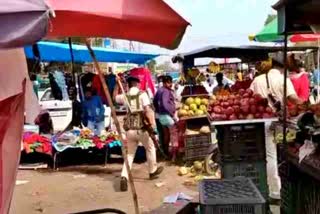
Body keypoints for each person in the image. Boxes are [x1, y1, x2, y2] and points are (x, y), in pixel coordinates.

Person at [250, 54, 303, 200]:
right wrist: (306, 104)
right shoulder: (283, 80)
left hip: (260, 123)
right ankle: (276, 191)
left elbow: (249, 97)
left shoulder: (257, 79)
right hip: (279, 123)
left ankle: (269, 187)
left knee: (267, 155)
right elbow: (293, 98)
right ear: (283, 67)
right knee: (281, 154)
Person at [114, 76, 163, 192]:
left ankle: (124, 176)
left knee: (130, 154)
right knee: (150, 148)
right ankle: (152, 171)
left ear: (129, 84)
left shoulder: (125, 96)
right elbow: (147, 110)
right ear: (136, 84)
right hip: (142, 127)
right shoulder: (142, 94)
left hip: (129, 128)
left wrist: (117, 84)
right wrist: (152, 126)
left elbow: (114, 98)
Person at [153, 76, 176, 157]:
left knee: (163, 134)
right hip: (166, 115)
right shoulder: (166, 91)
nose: (171, 85)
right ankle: (171, 152)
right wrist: (172, 114)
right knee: (171, 134)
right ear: (166, 83)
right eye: (170, 83)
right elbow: (165, 104)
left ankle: (164, 151)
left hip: (160, 115)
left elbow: (154, 102)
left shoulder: (159, 90)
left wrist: (158, 110)